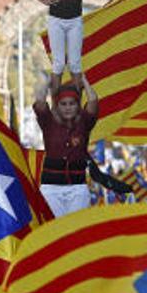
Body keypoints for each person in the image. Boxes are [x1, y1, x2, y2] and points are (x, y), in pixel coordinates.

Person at [33, 74, 98, 217]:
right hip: (51, 189)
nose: (68, 107)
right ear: (57, 105)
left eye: (72, 103)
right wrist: (47, 82)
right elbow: (40, 102)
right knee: (55, 231)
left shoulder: (84, 123)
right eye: (63, 104)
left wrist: (84, 81)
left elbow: (93, 101)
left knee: (76, 232)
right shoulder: (48, 122)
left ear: (78, 105)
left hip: (78, 189)